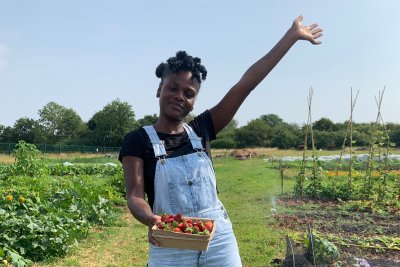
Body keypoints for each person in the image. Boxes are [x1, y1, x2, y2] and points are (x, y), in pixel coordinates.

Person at [119, 15, 323, 267]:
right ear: (159, 89)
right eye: (172, 88)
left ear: (194, 100)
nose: (179, 96)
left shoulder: (203, 128)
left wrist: (290, 38)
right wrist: (153, 220)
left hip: (218, 241)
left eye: (189, 93)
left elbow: (246, 84)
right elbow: (135, 196)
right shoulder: (137, 140)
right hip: (169, 242)